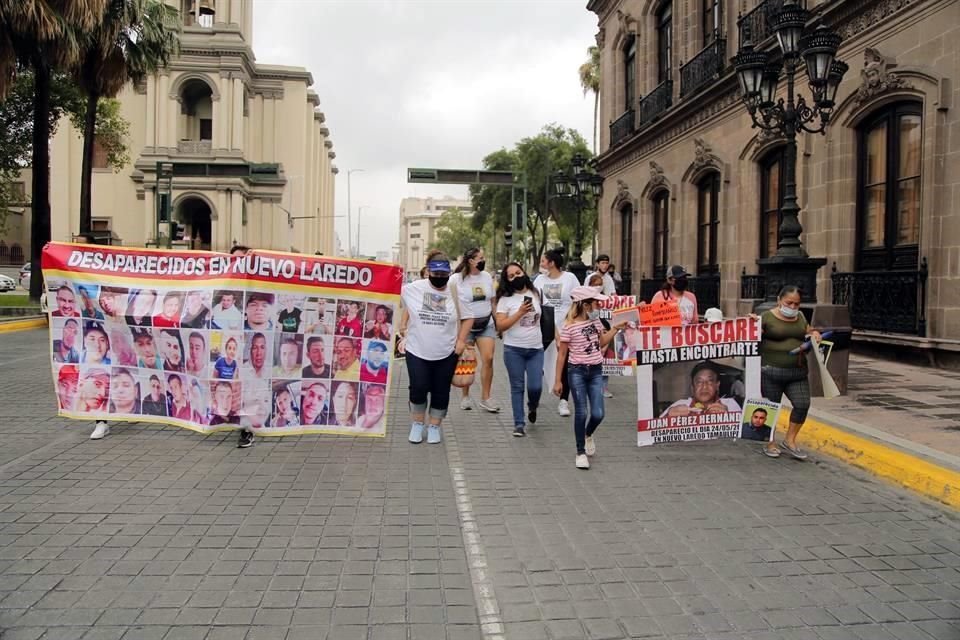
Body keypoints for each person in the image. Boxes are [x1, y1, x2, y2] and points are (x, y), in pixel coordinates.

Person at [397, 252, 464, 445]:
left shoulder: (454, 291)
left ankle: (434, 426)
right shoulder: (413, 289)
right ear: (428, 271)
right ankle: (417, 424)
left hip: (446, 352)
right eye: (436, 273)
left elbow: (468, 317)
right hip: (417, 350)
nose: (440, 278)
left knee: (441, 391)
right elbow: (385, 290)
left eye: (444, 274)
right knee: (418, 388)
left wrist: (461, 341)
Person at [555, 286, 623, 470]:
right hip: (576, 372)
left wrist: (615, 328)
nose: (598, 306)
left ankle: (587, 433)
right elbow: (562, 355)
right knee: (581, 412)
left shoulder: (596, 323)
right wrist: (557, 380)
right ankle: (580, 452)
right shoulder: (568, 327)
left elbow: (601, 342)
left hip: (595, 371)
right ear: (585, 305)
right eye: (595, 303)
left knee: (598, 413)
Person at [759, 285, 821, 460]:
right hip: (771, 371)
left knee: (802, 404)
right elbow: (752, 335)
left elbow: (809, 331)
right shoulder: (766, 317)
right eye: (789, 303)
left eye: (797, 304)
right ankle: (770, 441)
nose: (793, 307)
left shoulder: (800, 317)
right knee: (772, 408)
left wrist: (815, 334)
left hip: (797, 372)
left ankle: (790, 440)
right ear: (779, 300)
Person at [494, 262, 543, 437]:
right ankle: (519, 424)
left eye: (518, 273)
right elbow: (500, 325)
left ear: (524, 272)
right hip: (513, 350)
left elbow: (544, 318)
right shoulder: (505, 299)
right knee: (517, 387)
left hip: (536, 349)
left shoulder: (536, 293)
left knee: (535, 387)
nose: (516, 277)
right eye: (511, 276)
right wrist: (520, 312)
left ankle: (532, 405)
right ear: (507, 280)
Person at [450, 247, 500, 413]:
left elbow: (492, 301)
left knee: (489, 358)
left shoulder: (486, 277)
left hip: (486, 323)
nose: (483, 260)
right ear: (471, 261)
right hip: (467, 325)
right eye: (480, 258)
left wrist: (498, 321)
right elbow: (452, 302)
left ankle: (486, 397)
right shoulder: (457, 279)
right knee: (467, 361)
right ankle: (465, 395)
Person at [534, 249, 579, 417]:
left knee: (565, 366)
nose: (541, 264)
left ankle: (563, 401)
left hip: (566, 328)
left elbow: (577, 301)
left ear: (552, 263)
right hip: (544, 329)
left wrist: (570, 320)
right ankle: (534, 395)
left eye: (543, 261)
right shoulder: (539, 280)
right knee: (539, 365)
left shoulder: (570, 278)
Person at [660, 361, 742, 417]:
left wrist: (729, 417)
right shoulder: (680, 404)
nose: (704, 386)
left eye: (710, 381)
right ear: (692, 387)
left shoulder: (730, 404)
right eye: (699, 382)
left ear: (717, 385)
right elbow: (653, 435)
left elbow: (747, 434)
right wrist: (668, 417)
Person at [587, 272, 615, 399]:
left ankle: (603, 387)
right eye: (595, 285)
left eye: (600, 285)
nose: (598, 287)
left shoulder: (606, 300)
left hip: (605, 331)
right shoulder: (586, 300)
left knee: (605, 362)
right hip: (591, 335)